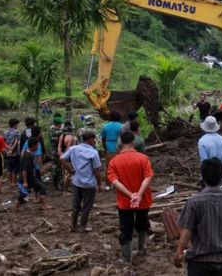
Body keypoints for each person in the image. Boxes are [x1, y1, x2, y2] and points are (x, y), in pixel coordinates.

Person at [174, 158, 222, 276]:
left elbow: (187, 230)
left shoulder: (194, 202)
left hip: (199, 262)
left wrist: (179, 251)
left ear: (202, 176)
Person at [107, 131, 154, 264]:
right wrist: (138, 195)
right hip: (143, 200)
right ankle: (141, 248)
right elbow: (148, 177)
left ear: (120, 143)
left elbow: (115, 182)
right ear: (133, 142)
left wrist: (130, 195)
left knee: (126, 228)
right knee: (142, 223)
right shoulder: (143, 158)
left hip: (125, 202)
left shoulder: (114, 161)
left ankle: (127, 260)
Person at [61, 130, 102, 232]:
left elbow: (62, 159)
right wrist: (100, 184)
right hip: (89, 184)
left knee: (76, 204)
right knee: (87, 206)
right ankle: (83, 226)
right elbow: (97, 170)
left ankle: (73, 225)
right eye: (94, 139)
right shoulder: (93, 152)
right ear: (90, 139)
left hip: (76, 181)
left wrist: (70, 171)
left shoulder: (73, 149)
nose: (94, 141)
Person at [16, 136, 51, 210]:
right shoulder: (28, 156)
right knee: (24, 193)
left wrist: (41, 168)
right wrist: (25, 181)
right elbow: (24, 170)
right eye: (37, 145)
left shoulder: (30, 153)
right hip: (27, 178)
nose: (38, 146)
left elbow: (35, 159)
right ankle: (16, 207)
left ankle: (44, 205)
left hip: (30, 177)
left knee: (41, 188)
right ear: (33, 146)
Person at [101, 111, 123, 191]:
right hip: (119, 148)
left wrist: (105, 148)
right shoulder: (122, 126)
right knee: (120, 166)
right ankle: (119, 184)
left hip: (108, 147)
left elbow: (103, 139)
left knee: (108, 167)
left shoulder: (105, 127)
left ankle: (108, 185)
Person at [49, 113, 65, 190]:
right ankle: (59, 183)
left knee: (55, 166)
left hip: (53, 150)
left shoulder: (51, 130)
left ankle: (55, 182)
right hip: (59, 151)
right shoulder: (60, 131)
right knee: (59, 167)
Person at [4, 119, 21, 186]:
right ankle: (14, 182)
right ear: (15, 124)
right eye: (17, 124)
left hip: (8, 153)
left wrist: (8, 149)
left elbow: (4, 142)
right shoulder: (17, 132)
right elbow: (17, 142)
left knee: (9, 168)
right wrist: (12, 149)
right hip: (15, 153)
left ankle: (9, 181)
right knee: (15, 168)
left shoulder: (5, 132)